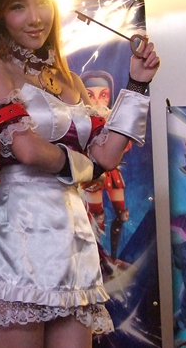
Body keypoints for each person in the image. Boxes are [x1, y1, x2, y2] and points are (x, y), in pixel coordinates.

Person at [0, 0, 160, 348]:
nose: (35, 18)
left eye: (43, 3)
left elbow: (107, 156)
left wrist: (137, 84)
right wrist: (86, 168)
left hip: (72, 238)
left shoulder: (69, 80)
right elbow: (27, 150)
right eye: (18, 6)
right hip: (18, 235)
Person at [80, 70, 130, 261]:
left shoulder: (113, 119)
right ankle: (97, 259)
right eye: (90, 95)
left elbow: (125, 146)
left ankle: (113, 258)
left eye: (103, 95)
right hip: (90, 171)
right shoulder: (80, 120)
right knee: (96, 216)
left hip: (112, 172)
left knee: (122, 214)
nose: (97, 100)